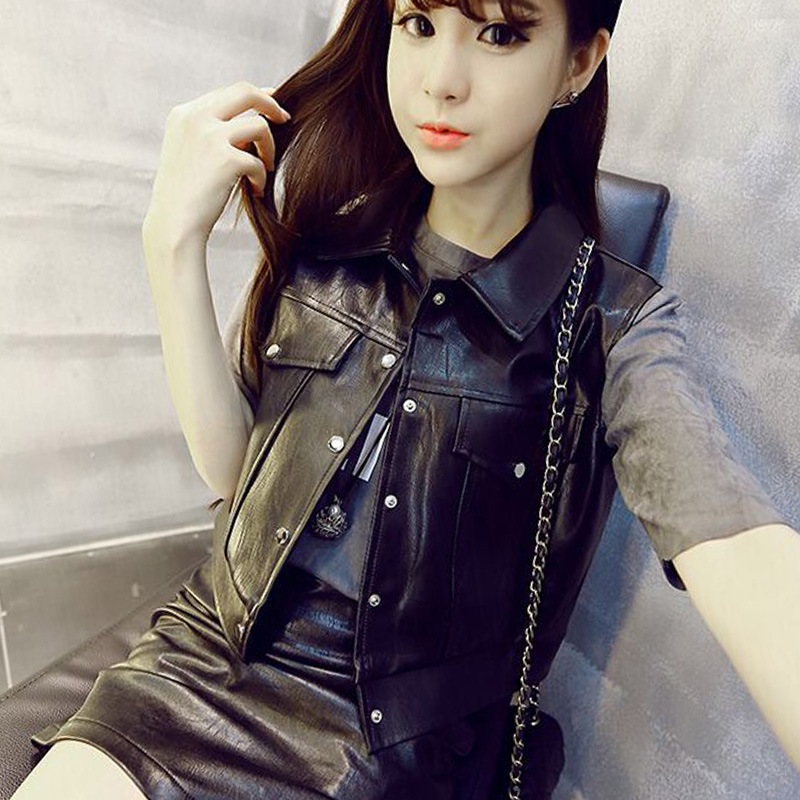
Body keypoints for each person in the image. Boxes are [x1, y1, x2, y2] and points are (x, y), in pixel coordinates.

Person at [12, 0, 800, 798]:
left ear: (579, 63)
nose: (441, 82)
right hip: (205, 658)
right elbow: (235, 475)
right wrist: (170, 247)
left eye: (500, 34)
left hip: (387, 742)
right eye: (418, 23)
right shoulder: (333, 233)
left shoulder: (610, 323)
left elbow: (732, 539)